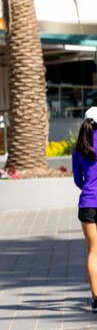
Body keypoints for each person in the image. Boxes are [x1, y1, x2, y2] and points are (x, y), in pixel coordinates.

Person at [71, 107, 97, 312]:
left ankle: (96, 299)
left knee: (93, 251)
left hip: (87, 203)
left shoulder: (78, 148)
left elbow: (77, 180)